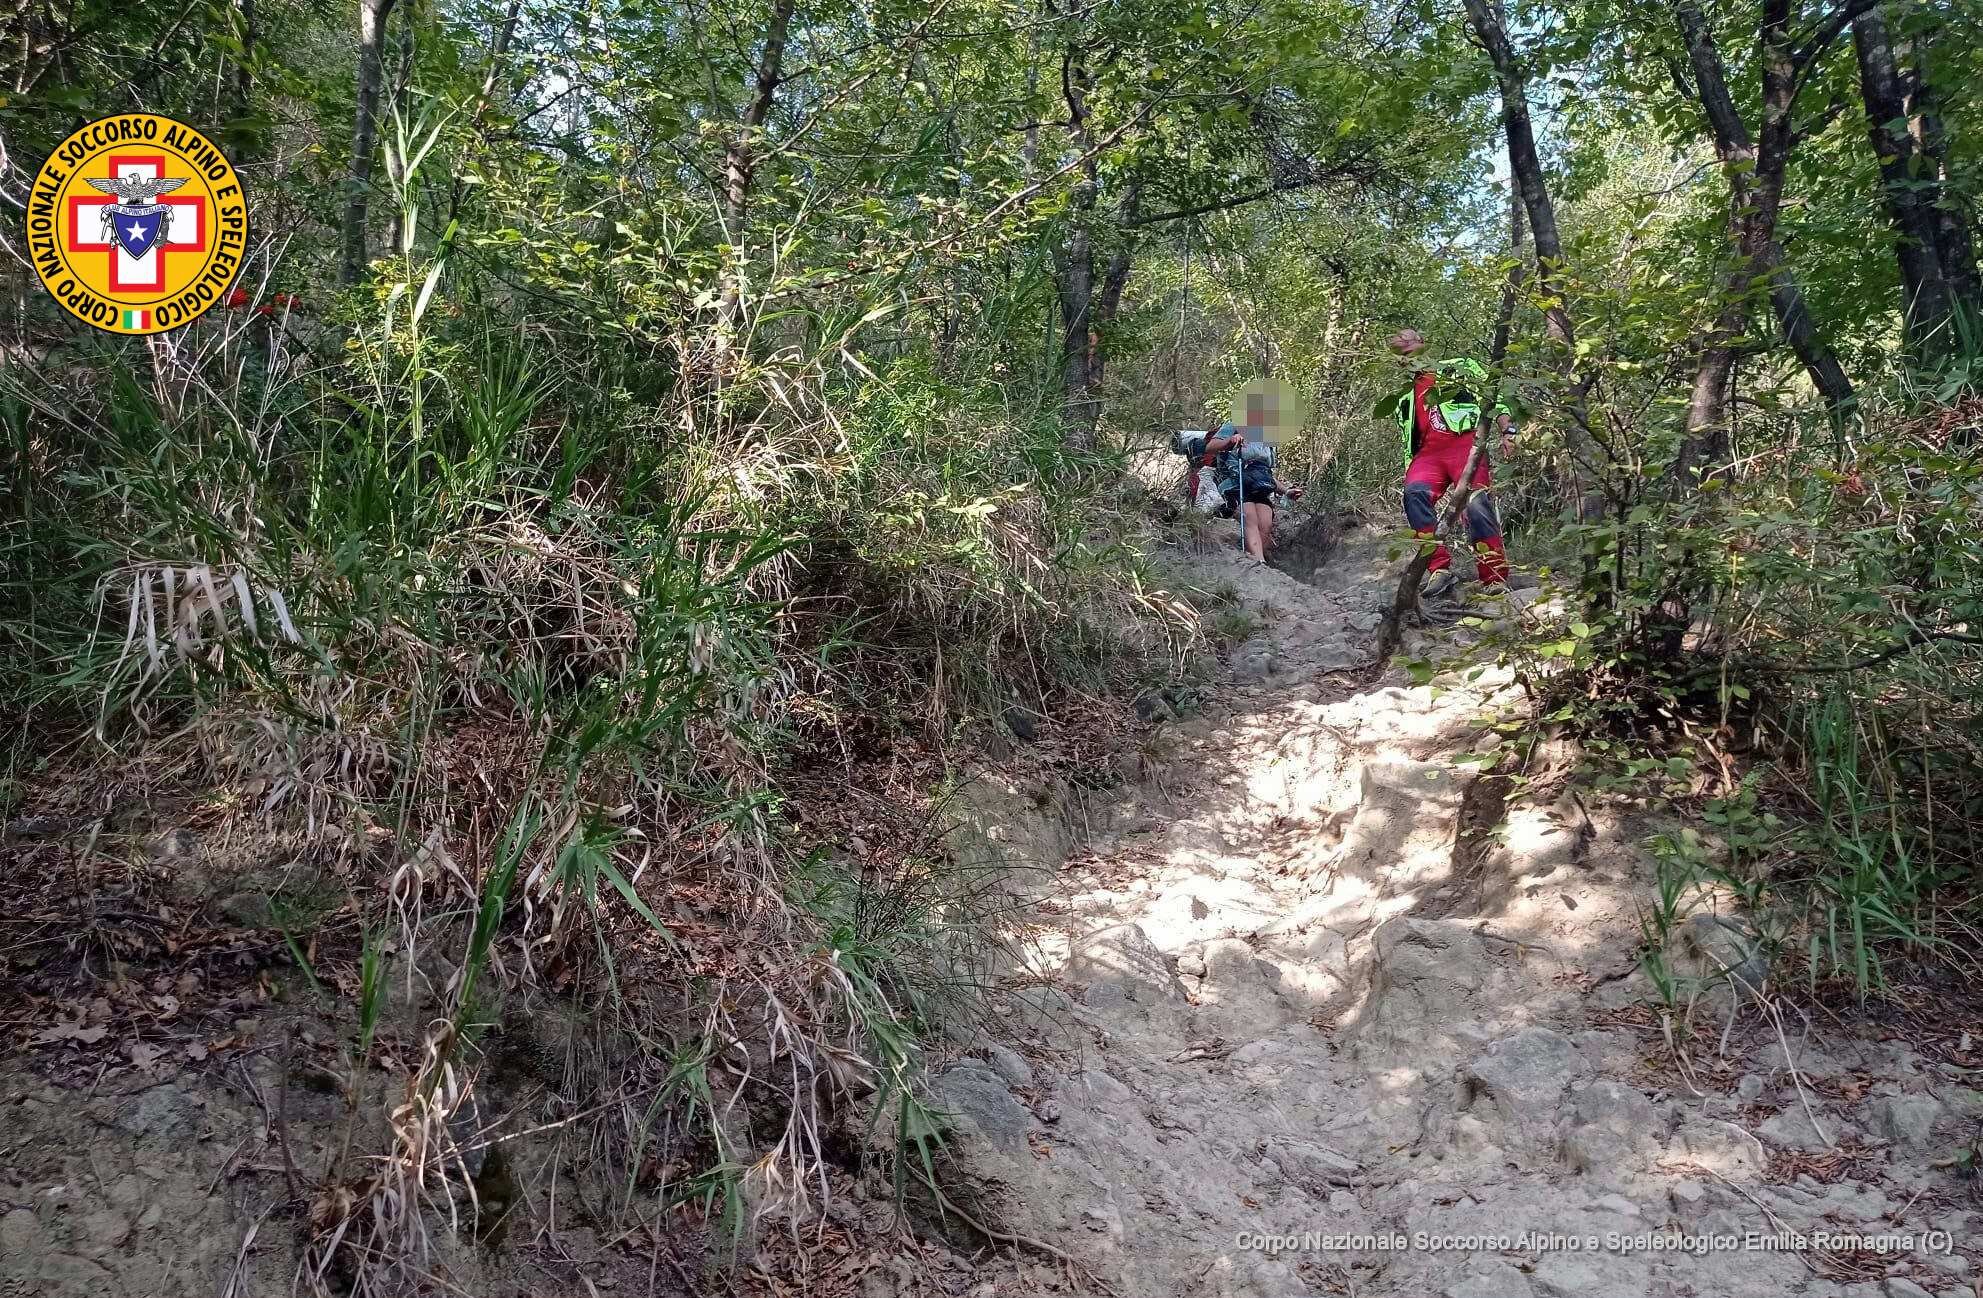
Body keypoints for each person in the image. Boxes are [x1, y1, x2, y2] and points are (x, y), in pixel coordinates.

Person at [1383, 328, 1516, 600]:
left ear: (1422, 343)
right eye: (1399, 353)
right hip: (1428, 455)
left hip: (1464, 444)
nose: (1405, 356)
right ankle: (1438, 569)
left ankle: (1494, 577)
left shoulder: (1458, 369)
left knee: (1476, 505)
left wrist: (1508, 431)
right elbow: (1410, 436)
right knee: (1414, 494)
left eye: (1407, 348)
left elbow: (1494, 398)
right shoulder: (1405, 398)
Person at [1206, 419, 1303, 562]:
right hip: (1234, 481)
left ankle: (1250, 557)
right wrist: (1230, 441)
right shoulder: (1234, 425)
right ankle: (1259, 564)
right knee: (1249, 517)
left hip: (1258, 485)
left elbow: (1266, 474)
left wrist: (1287, 491)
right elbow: (1210, 447)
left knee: (1265, 523)